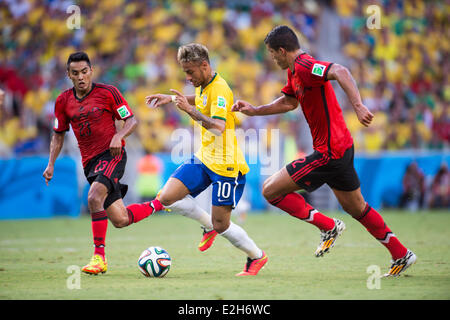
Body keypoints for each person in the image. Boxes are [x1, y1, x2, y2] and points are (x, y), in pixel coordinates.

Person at [232, 25, 416, 277]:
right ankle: (401, 254)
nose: (272, 58)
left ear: (283, 51)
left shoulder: (306, 66)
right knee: (357, 208)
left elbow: (340, 70)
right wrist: (255, 110)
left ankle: (328, 226)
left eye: (273, 53)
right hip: (341, 148)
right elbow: (288, 102)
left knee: (270, 191)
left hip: (329, 152)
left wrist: (359, 105)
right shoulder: (294, 72)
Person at [145, 43, 267, 276]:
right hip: (204, 158)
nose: (188, 77)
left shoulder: (220, 89)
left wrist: (187, 111)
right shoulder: (205, 84)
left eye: (190, 72)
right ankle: (208, 226)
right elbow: (201, 100)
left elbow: (219, 126)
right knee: (166, 198)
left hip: (226, 165)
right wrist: (171, 100)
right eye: (184, 72)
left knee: (222, 224)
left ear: (204, 65)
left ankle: (257, 256)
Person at [43, 52, 162, 275]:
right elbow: (58, 135)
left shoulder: (109, 93)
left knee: (93, 197)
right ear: (68, 75)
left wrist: (119, 136)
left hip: (112, 154)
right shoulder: (62, 101)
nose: (81, 77)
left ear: (91, 71)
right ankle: (160, 203)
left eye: (84, 72)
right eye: (75, 73)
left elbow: (131, 120)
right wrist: (51, 164)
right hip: (90, 165)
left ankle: (99, 257)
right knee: (120, 219)